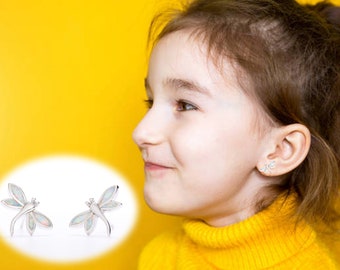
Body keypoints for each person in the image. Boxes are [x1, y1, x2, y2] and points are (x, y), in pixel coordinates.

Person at [132, 0, 340, 268]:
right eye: (151, 102)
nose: (141, 132)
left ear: (280, 149)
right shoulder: (158, 256)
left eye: (185, 105)